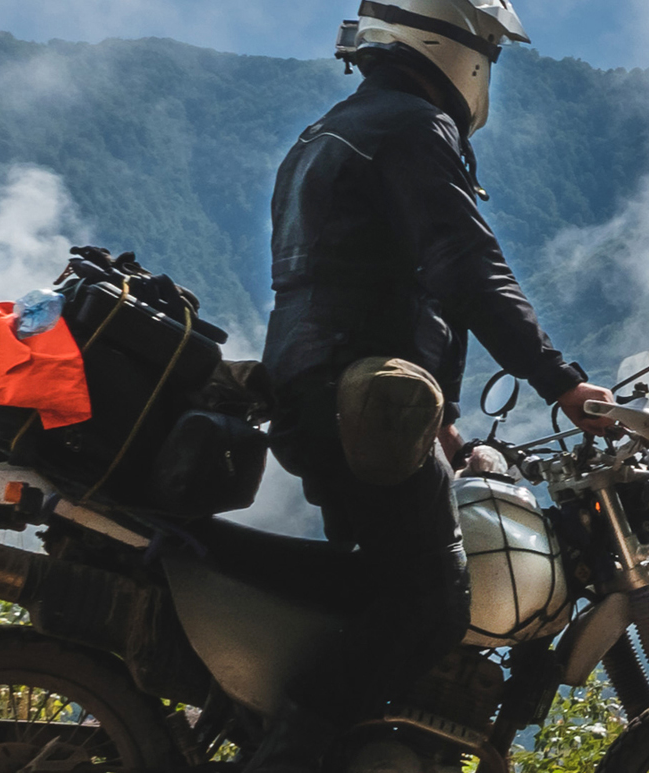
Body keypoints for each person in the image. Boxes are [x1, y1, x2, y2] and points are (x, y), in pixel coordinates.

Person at [258, 0, 614, 765]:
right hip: (356, 403)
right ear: (453, 46)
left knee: (380, 587)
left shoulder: (329, 129)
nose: (490, 66)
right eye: (489, 47)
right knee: (433, 597)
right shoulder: (416, 129)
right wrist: (563, 383)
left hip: (325, 391)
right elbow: (466, 267)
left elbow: (367, 283)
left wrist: (438, 420)